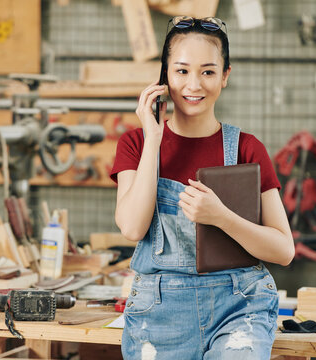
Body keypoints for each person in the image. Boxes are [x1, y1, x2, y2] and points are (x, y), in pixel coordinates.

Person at [110, 16, 295, 360]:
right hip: (159, 314)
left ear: (226, 76)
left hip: (239, 308)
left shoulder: (246, 148)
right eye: (181, 71)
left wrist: (221, 217)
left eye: (208, 72)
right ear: (163, 76)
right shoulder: (136, 144)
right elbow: (132, 227)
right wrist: (153, 139)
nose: (193, 84)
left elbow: (284, 250)